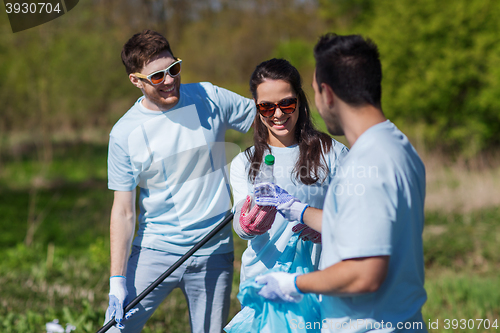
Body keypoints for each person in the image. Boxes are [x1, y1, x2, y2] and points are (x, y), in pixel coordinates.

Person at [255, 34, 428, 332]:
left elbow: (364, 274)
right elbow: (372, 225)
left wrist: (293, 283)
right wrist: (296, 209)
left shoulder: (365, 164)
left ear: (328, 94)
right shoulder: (397, 145)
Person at [105, 29, 256, 333]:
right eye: (157, 76)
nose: (170, 80)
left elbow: (269, 121)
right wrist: (117, 281)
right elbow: (123, 211)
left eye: (174, 68)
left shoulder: (210, 97)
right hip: (154, 250)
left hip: (214, 250)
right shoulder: (124, 134)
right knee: (115, 330)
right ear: (136, 80)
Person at [225, 58, 348, 331]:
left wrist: (327, 227)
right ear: (257, 109)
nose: (277, 114)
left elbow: (358, 215)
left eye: (286, 104)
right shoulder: (245, 162)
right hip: (264, 284)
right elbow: (239, 227)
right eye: (266, 107)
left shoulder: (332, 153)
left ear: (300, 102)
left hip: (319, 285)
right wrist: (248, 223)